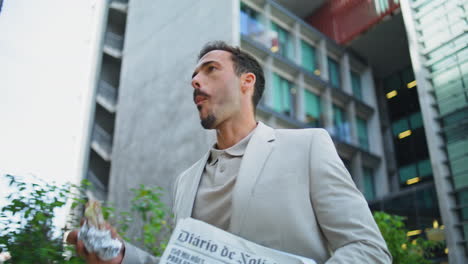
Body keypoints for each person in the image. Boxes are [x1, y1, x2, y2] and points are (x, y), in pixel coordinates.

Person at [68, 41, 392, 264]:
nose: (195, 81)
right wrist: (120, 254)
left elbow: (368, 250)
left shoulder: (307, 147)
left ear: (246, 82)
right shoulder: (185, 181)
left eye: (210, 70)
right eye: (194, 76)